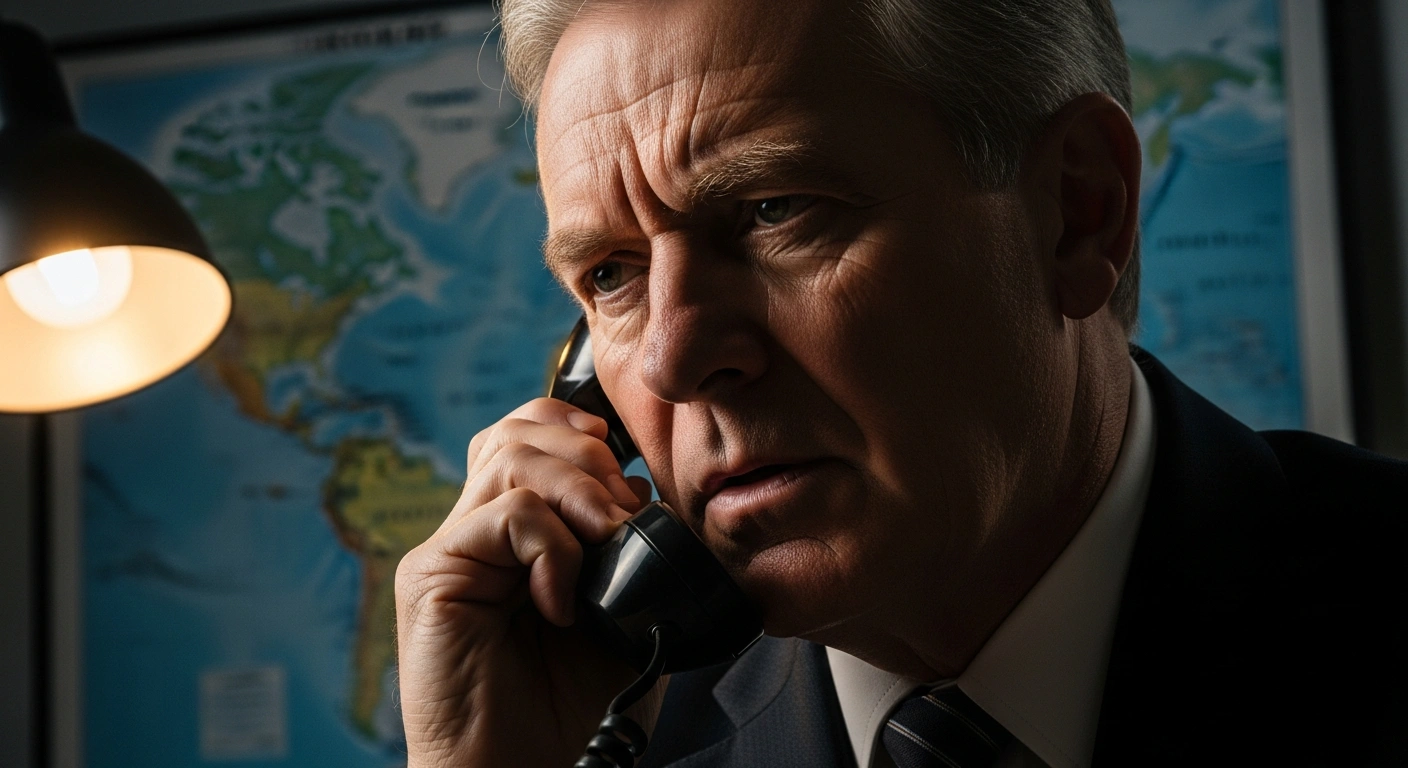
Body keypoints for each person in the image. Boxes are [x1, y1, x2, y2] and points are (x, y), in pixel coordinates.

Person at [393, 0, 1408, 765]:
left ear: (1076, 211)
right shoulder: (613, 732)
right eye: (611, 276)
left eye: (774, 211)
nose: (673, 361)